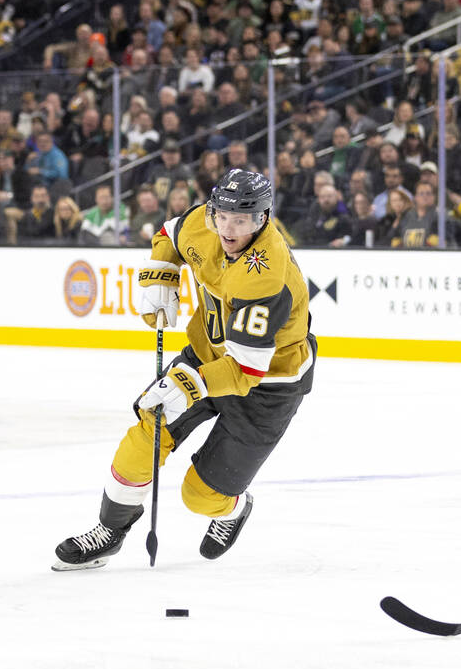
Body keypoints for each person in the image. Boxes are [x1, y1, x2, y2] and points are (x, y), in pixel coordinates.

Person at [53, 169, 317, 570]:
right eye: (222, 216)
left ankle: (232, 509)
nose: (227, 229)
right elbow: (169, 233)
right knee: (146, 434)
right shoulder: (205, 222)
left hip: (267, 385)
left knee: (200, 497)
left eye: (241, 220)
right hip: (206, 354)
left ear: (262, 219)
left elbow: (244, 371)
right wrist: (163, 272)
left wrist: (189, 382)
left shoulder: (267, 275)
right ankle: (110, 532)